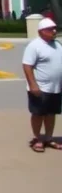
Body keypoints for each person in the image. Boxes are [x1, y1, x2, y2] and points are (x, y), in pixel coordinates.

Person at [21, 17, 62, 152]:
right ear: (41, 31)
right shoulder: (34, 46)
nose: (54, 31)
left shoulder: (57, 45)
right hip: (40, 88)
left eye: (54, 28)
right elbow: (27, 66)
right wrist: (33, 85)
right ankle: (37, 139)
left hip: (55, 87)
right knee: (38, 114)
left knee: (51, 114)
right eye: (51, 29)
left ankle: (49, 138)